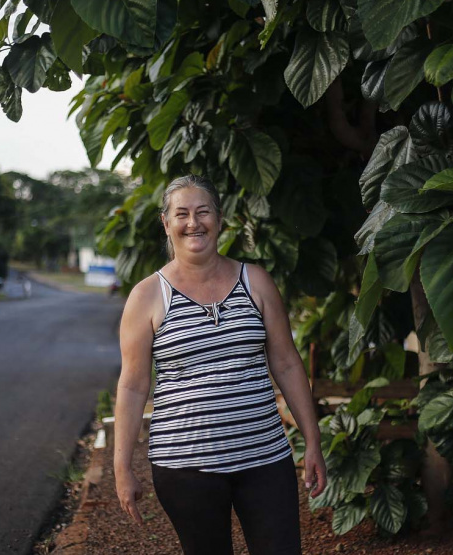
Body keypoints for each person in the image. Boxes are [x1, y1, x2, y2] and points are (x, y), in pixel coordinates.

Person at [113, 174, 327, 555]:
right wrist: (122, 467)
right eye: (181, 214)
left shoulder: (256, 281)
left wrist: (313, 442)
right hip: (184, 467)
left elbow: (288, 364)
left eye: (203, 212)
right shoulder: (146, 296)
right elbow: (132, 386)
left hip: (264, 458)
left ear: (220, 218)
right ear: (166, 223)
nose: (193, 223)